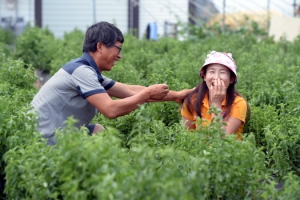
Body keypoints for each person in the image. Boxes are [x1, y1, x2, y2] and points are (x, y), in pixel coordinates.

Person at [31, 21, 193, 145]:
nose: (119, 56)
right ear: (100, 46)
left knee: (99, 131)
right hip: (45, 140)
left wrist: (176, 95)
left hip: (58, 132)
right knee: (100, 140)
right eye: (118, 49)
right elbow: (110, 110)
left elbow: (129, 90)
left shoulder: (88, 71)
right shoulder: (82, 72)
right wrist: (147, 94)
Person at [181, 51, 250, 140]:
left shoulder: (238, 103)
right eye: (212, 71)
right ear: (205, 77)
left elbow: (220, 141)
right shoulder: (192, 100)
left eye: (222, 72)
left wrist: (216, 103)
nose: (216, 77)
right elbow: (187, 138)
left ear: (231, 79)